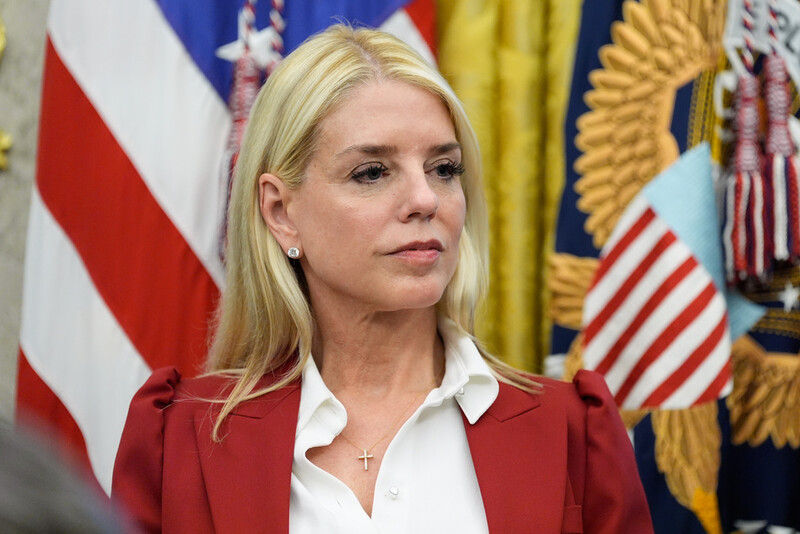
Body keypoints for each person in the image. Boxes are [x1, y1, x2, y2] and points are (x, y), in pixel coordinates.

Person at [112, 23, 654, 533]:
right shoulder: (175, 440)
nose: (425, 199)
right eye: (372, 172)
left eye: (444, 169)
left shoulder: (574, 433)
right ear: (280, 211)